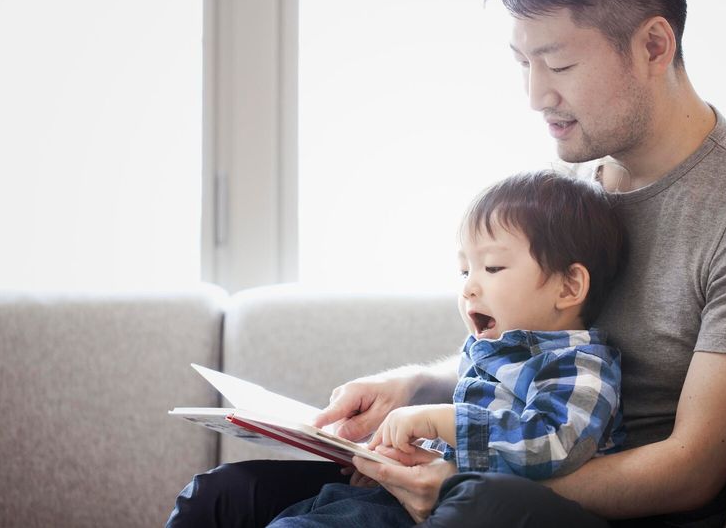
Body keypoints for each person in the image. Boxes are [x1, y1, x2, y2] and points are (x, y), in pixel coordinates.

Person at [167, 0, 726, 526]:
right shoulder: (569, 188)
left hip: (584, 509)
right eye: (523, 62)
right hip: (486, 480)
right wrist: (413, 385)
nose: (536, 95)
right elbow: (529, 366)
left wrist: (456, 484)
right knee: (227, 498)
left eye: (559, 64)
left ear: (654, 45)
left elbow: (691, 472)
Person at [266, 170, 628, 526]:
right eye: (464, 271)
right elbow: (472, 449)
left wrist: (443, 420)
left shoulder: (579, 366)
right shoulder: (491, 352)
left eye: (492, 267)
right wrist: (396, 458)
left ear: (568, 287)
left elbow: (551, 443)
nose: (469, 287)